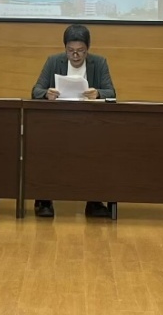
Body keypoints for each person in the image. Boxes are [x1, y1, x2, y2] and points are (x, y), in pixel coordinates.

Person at [31, 24, 116, 219]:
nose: (75, 56)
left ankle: (94, 201)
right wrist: (47, 94)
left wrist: (97, 93)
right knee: (45, 148)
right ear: (65, 48)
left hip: (89, 123)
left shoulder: (99, 62)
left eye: (80, 51)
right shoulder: (53, 61)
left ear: (88, 49)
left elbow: (111, 92)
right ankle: (44, 199)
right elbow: (36, 90)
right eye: (71, 51)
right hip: (58, 123)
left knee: (98, 151)